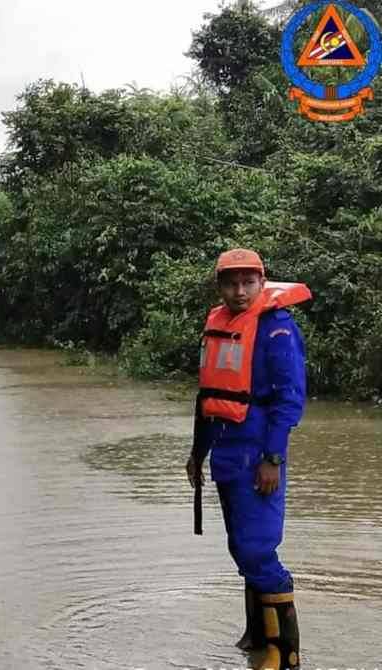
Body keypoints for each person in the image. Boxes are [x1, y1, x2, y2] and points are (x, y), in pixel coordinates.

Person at [186, 249, 310, 670]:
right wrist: (197, 452)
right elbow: (207, 396)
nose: (240, 291)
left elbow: (289, 401)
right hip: (224, 449)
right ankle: (256, 637)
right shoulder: (218, 323)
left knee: (258, 550)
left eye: (248, 283)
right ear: (219, 286)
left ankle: (283, 654)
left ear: (262, 282)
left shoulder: (277, 329)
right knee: (241, 547)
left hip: (258, 452)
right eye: (231, 283)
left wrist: (273, 457)